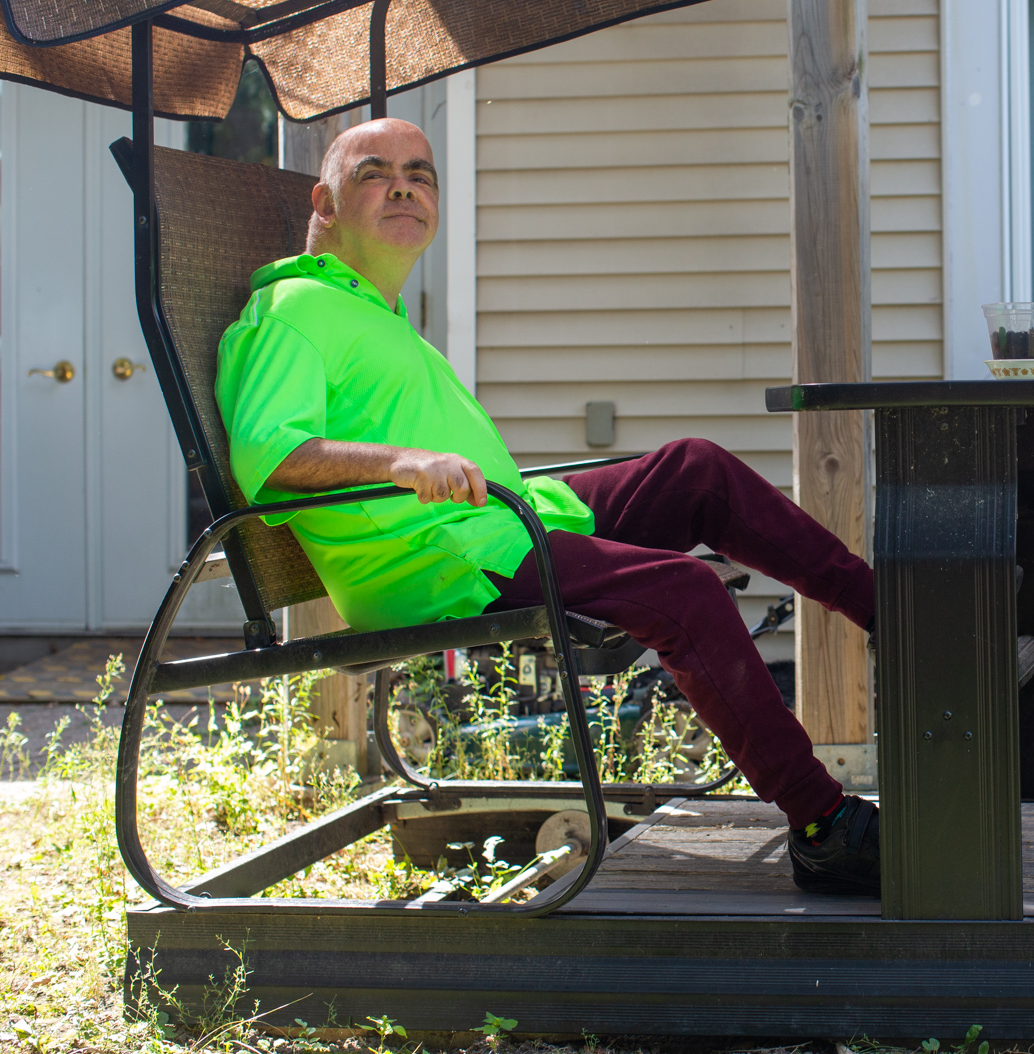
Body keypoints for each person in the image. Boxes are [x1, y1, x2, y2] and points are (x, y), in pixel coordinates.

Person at [214, 118, 878, 896]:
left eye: (420, 174)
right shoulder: (293, 309)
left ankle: (893, 615)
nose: (404, 185)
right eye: (375, 173)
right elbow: (270, 458)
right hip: (440, 561)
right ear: (324, 201)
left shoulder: (374, 314)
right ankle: (820, 826)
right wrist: (402, 462)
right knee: (683, 591)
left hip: (503, 523)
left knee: (696, 470)